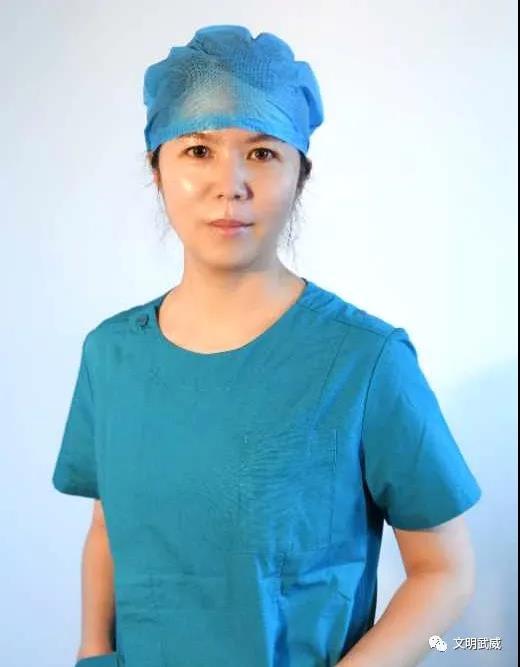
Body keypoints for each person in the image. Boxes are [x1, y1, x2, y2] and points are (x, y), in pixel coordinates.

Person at [52, 24, 482, 667]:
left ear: (300, 174)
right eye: (198, 150)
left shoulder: (365, 362)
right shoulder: (112, 355)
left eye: (261, 152)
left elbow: (444, 572)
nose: (231, 184)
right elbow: (109, 527)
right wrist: (92, 651)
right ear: (156, 169)